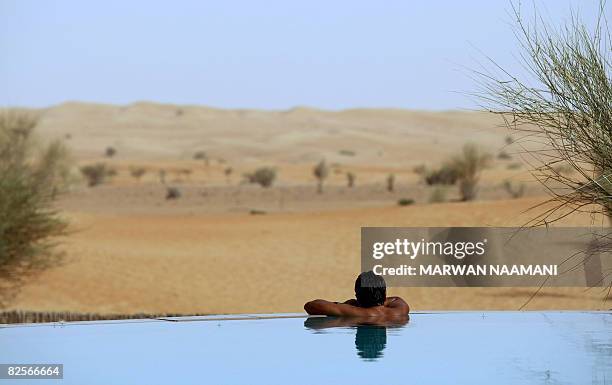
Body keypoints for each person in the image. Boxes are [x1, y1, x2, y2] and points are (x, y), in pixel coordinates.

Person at [304, 271, 409, 318]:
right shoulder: (399, 310)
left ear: (357, 294)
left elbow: (311, 306)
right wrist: (378, 301)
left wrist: (343, 304)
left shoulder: (356, 312)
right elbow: (396, 299)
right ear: (384, 292)